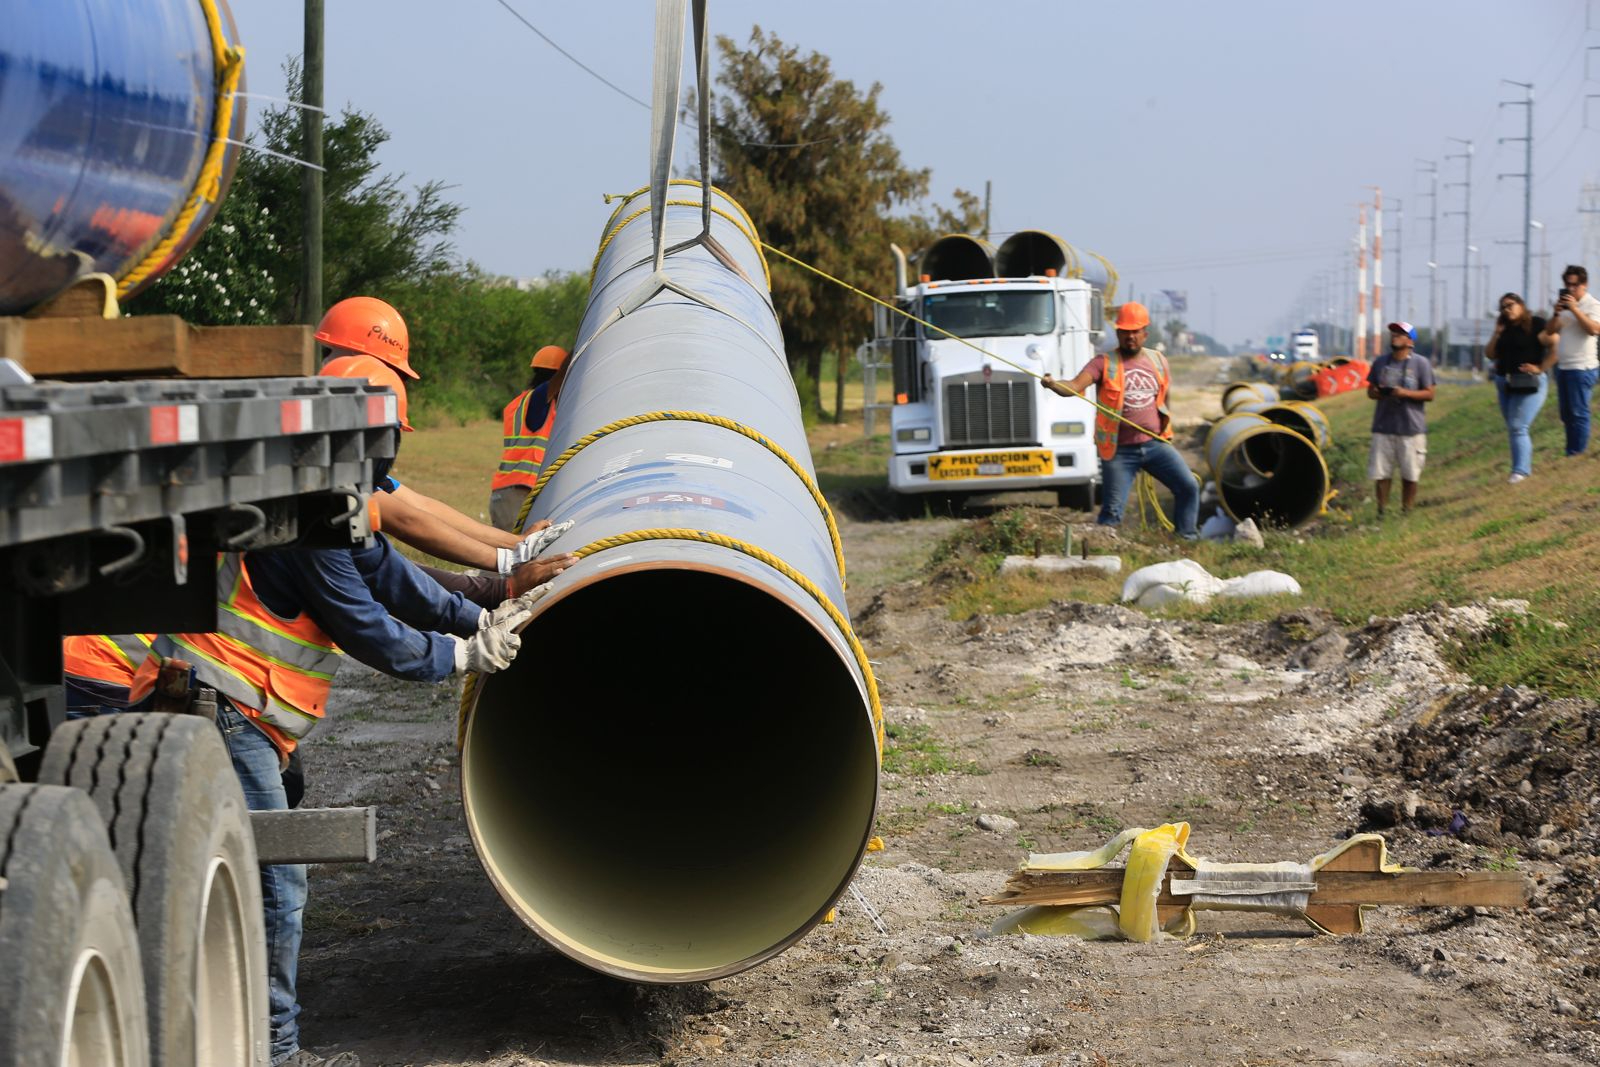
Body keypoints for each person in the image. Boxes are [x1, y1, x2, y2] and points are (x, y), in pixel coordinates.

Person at [314, 299, 577, 597]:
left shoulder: (336, 451)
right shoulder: (324, 465)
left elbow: (419, 508)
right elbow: (405, 522)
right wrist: (505, 569)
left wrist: (513, 545)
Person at [1038, 301, 1198, 539]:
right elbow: (1074, 386)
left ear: (1145, 332)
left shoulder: (1159, 361)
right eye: (1125, 331)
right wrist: (1053, 384)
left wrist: (1165, 432)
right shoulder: (1103, 363)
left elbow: (1165, 399)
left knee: (1188, 487)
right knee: (1112, 512)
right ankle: (1101, 550)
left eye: (1135, 331)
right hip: (1120, 451)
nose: (1130, 336)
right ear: (1118, 333)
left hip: (1155, 445)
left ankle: (1187, 538)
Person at [489, 344, 569, 531]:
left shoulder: (521, 403)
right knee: (519, 554)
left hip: (508, 493)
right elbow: (556, 381)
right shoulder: (539, 399)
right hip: (517, 493)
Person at [1365, 322, 1436, 516]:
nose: (1395, 336)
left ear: (1410, 340)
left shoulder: (1421, 364)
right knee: (1381, 473)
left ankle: (1407, 510)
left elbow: (1430, 394)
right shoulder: (1381, 362)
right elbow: (1370, 391)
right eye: (1393, 332)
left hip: (1411, 428)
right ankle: (1382, 511)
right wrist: (1377, 392)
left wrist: (1404, 393)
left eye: (1400, 333)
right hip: (1383, 426)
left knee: (1410, 474)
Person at [1485, 293, 1554, 483]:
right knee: (1513, 428)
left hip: (1529, 383)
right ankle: (1518, 469)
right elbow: (1490, 354)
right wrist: (1497, 333)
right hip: (1505, 382)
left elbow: (1556, 345)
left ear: (1521, 305)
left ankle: (1521, 471)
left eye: (1510, 305)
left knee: (1518, 426)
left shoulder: (1537, 324)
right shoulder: (1504, 329)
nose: (1507, 310)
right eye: (1503, 307)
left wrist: (1541, 368)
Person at [1539, 265, 1600, 456]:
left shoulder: (1592, 304)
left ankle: (1576, 453)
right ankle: (1570, 450)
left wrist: (1575, 310)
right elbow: (1550, 331)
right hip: (1564, 367)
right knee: (1566, 415)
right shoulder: (1564, 306)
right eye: (1567, 284)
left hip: (1582, 367)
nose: (1571, 289)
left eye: (1575, 285)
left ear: (1585, 285)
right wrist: (1557, 312)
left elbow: (1593, 329)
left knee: (1579, 413)